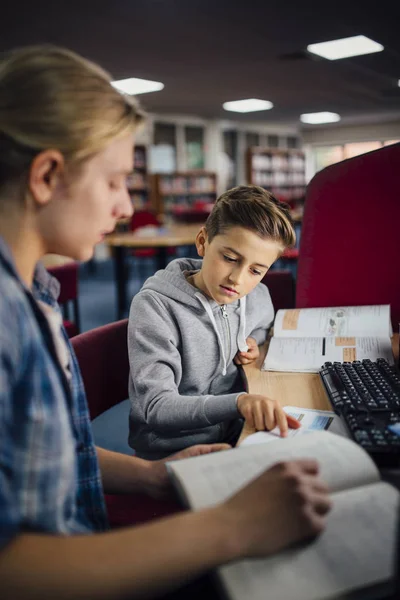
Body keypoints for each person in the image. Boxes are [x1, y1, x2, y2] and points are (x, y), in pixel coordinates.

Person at [0, 44, 331, 599]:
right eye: (114, 181)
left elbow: (55, 454)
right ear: (47, 175)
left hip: (91, 528)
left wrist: (153, 477)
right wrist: (232, 527)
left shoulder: (35, 294)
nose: (128, 208)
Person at [128, 185, 301, 459]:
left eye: (256, 270)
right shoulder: (155, 306)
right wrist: (238, 403)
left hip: (235, 435)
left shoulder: (257, 295)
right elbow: (156, 406)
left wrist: (254, 341)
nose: (238, 279)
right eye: (230, 258)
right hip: (172, 451)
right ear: (202, 242)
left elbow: (263, 324)